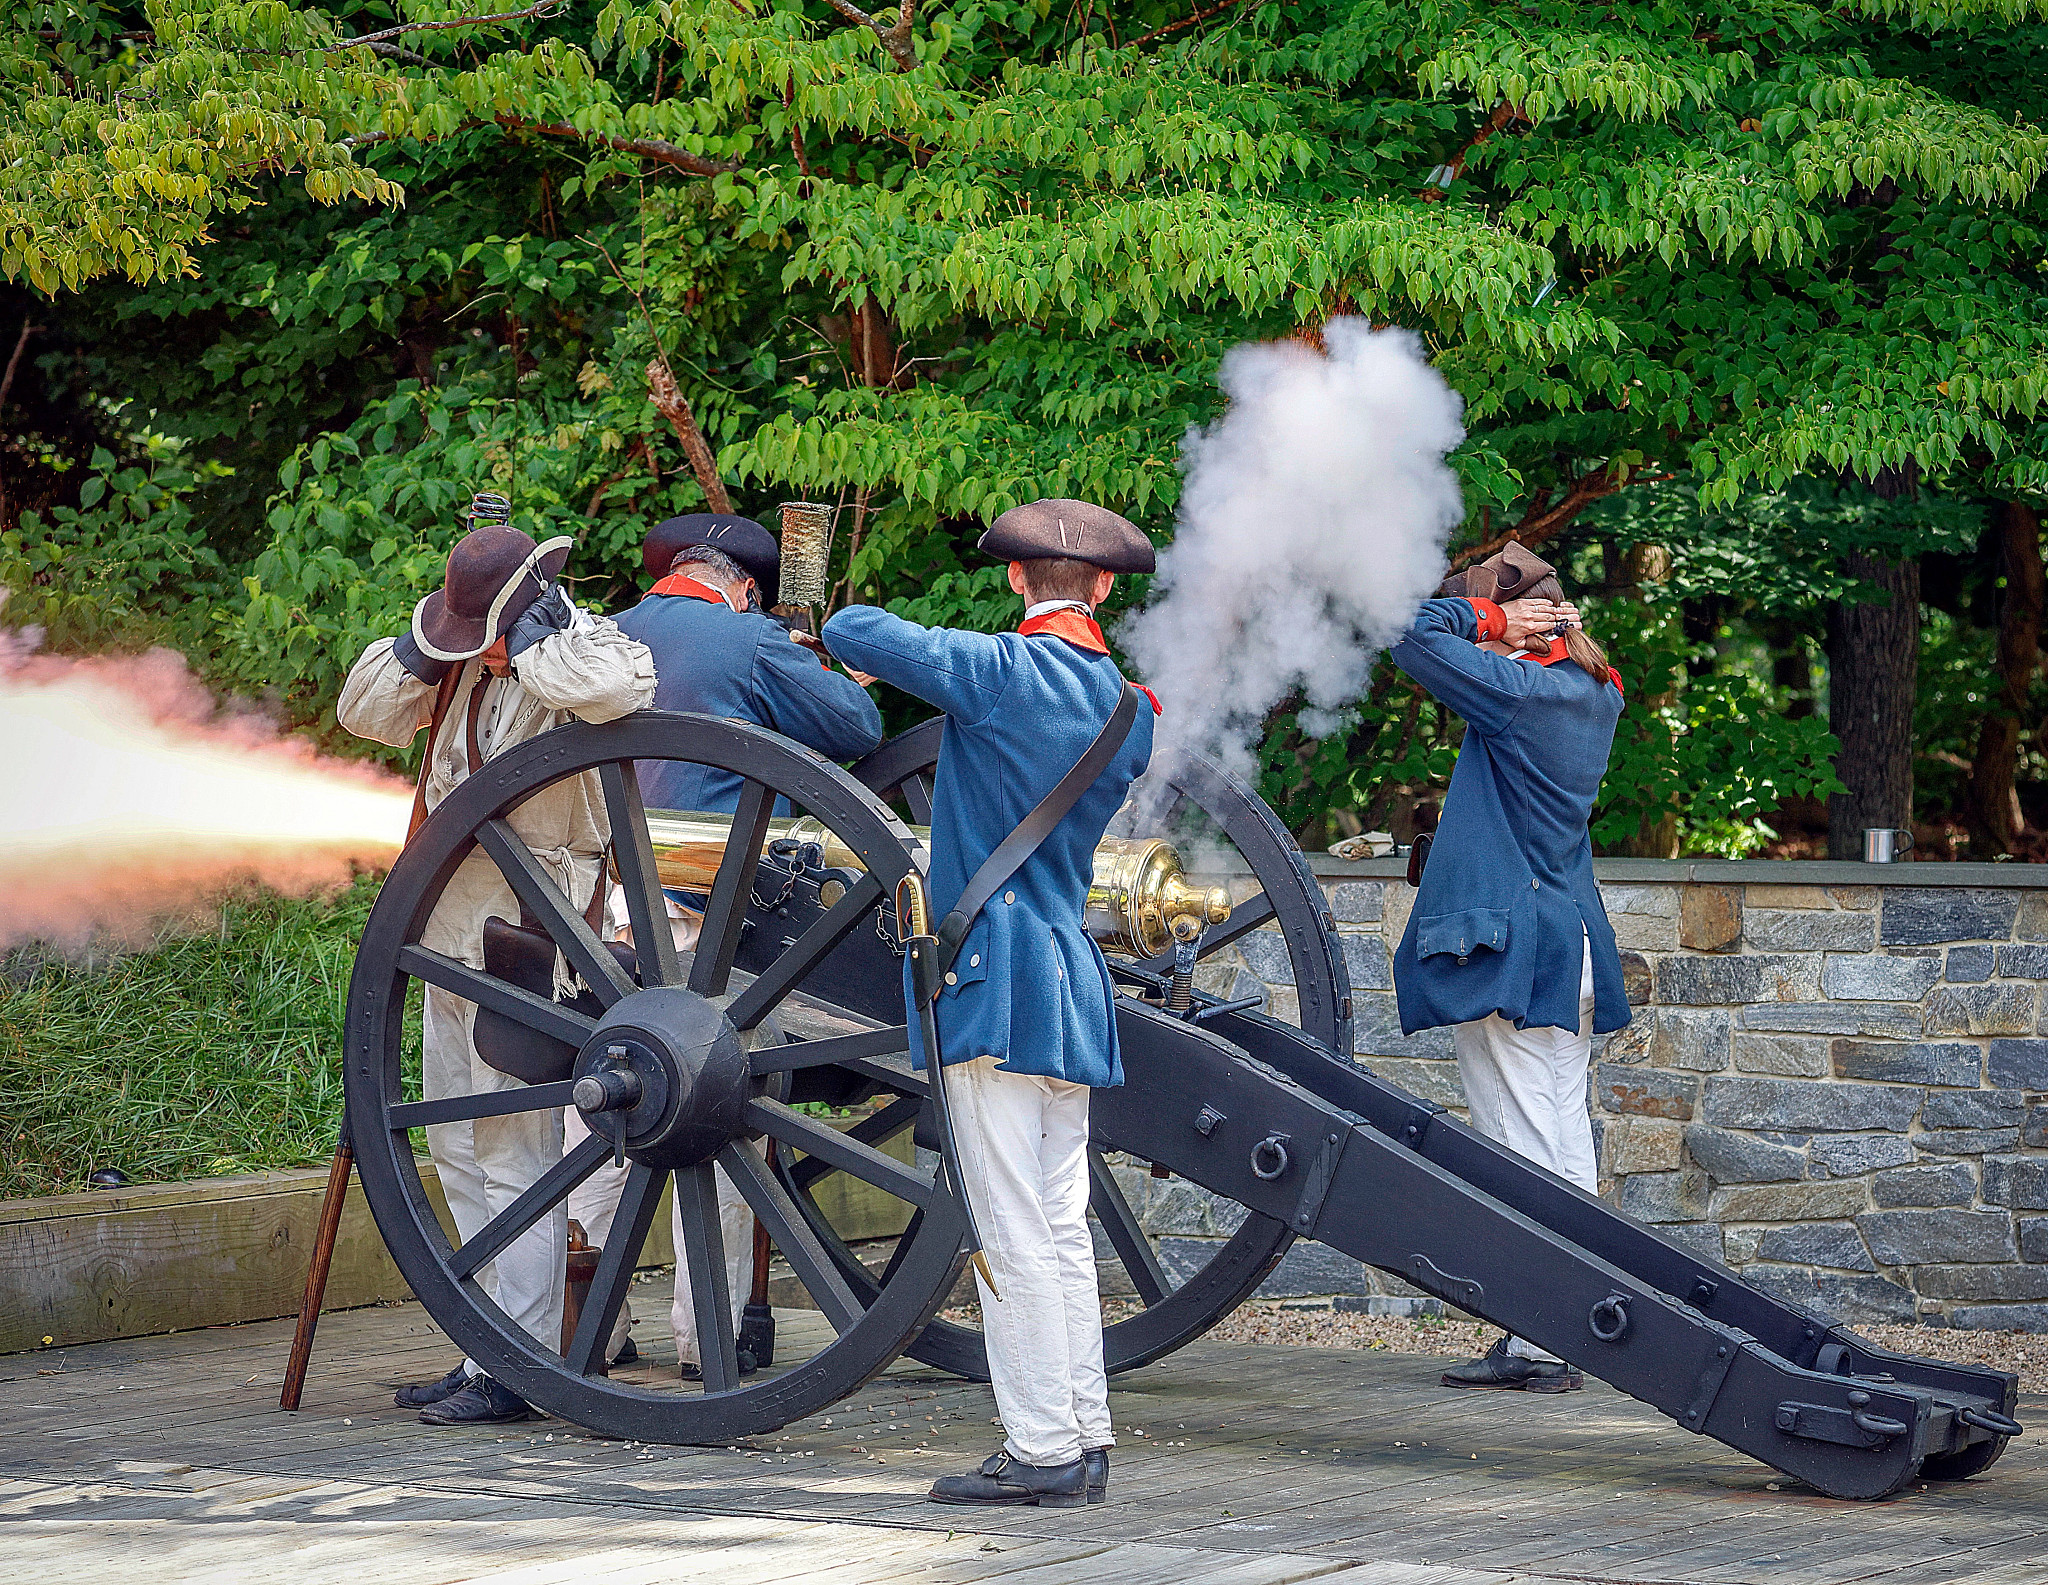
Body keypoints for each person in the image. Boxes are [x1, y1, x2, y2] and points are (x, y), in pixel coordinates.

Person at [822, 498, 1158, 1510]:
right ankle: (1081, 1434)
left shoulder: (999, 671)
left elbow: (850, 630)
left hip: (992, 976)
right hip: (1066, 977)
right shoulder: (1129, 709)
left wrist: (878, 662)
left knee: (1009, 1224)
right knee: (1057, 1222)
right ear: (1102, 588)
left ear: (1017, 580)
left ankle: (1042, 1448)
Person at [338, 499, 656, 1425]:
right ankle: (484, 1345)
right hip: (440, 926)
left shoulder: (578, 652)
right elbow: (362, 712)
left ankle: (521, 1361)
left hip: (530, 929)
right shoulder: (454, 663)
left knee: (516, 1152)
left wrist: (528, 639)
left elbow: (620, 690)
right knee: (454, 1143)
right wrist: (431, 646)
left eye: (485, 632)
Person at [565, 512, 884, 1379]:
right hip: (711, 915)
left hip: (605, 909)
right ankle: (710, 1338)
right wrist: (805, 657)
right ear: (742, 586)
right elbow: (856, 727)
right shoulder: (746, 641)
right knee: (725, 1111)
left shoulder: (600, 638)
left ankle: (585, 1317)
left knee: (601, 1101)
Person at [1387, 542, 1631, 1393]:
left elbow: (1410, 637)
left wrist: (1490, 616)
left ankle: (1546, 1340)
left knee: (1522, 1150)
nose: (1475, 655)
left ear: (1525, 626)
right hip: (1566, 949)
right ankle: (1563, 1331)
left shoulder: (1525, 688)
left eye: (1490, 628)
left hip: (1522, 957)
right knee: (1562, 1140)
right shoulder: (1587, 689)